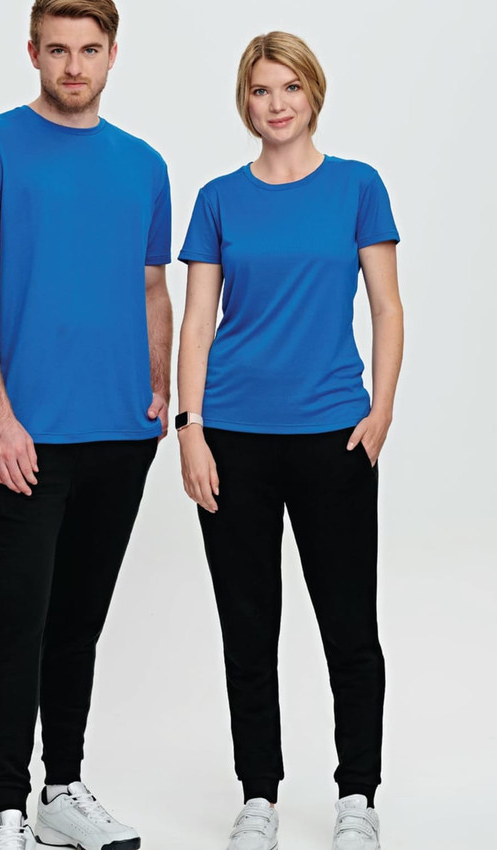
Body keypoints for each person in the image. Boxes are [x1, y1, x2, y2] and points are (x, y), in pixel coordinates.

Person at [0, 1, 172, 848]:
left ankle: (62, 790)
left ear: (113, 55)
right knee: (19, 622)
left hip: (120, 437)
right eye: (59, 49)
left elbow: (153, 289)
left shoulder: (145, 166)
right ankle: (5, 806)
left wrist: (158, 389)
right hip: (24, 438)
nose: (74, 66)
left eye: (90, 50)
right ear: (33, 51)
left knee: (78, 623)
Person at [176, 31, 402, 850]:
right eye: (261, 90)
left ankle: (357, 797)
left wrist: (380, 411)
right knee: (248, 622)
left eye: (288, 89)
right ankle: (259, 797)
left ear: (313, 94)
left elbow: (385, 306)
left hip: (334, 438)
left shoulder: (356, 187)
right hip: (232, 435)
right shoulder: (218, 198)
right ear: (245, 101)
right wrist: (190, 431)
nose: (275, 104)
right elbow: (198, 323)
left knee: (349, 624)